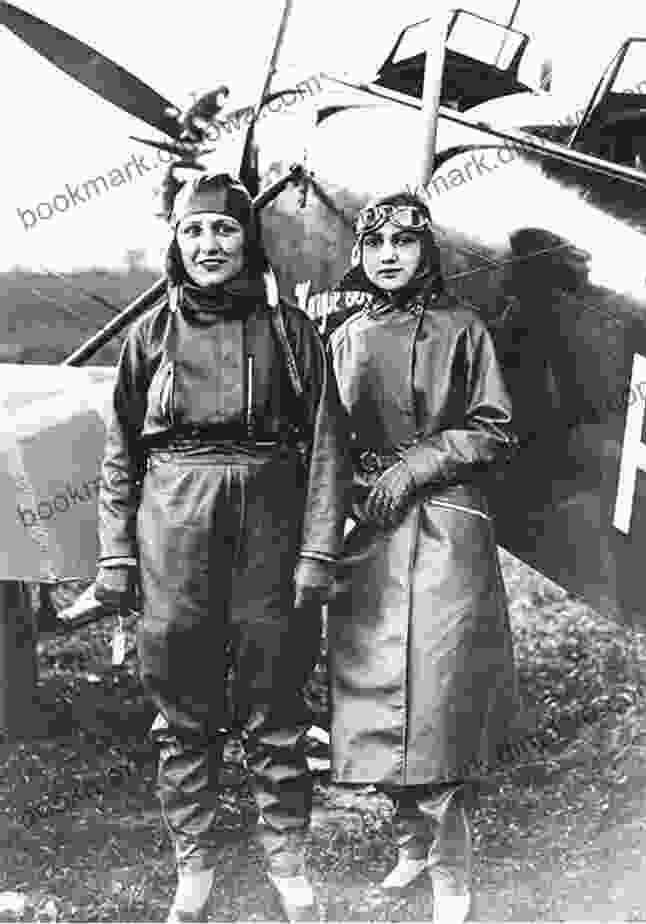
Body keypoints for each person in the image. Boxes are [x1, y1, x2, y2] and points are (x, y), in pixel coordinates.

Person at [93, 172, 350, 923]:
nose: (209, 245)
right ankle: (194, 867)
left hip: (271, 522)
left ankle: (288, 864)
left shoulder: (294, 334)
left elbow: (328, 449)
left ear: (249, 240)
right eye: (193, 231)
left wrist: (316, 554)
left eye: (224, 230)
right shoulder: (148, 337)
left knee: (277, 698)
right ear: (175, 242)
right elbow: (119, 458)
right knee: (182, 703)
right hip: (173, 524)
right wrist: (117, 557)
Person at [327, 192, 519, 923]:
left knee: (433, 702)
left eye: (404, 242)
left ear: (427, 252)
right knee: (375, 695)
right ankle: (410, 839)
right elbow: (327, 440)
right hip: (371, 535)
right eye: (374, 242)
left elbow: (494, 428)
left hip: (444, 527)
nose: (387, 255)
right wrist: (351, 486)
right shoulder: (344, 338)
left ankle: (453, 876)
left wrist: (418, 465)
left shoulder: (463, 330)